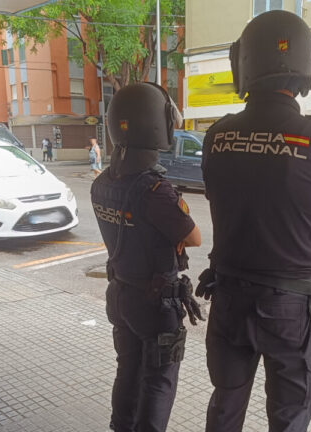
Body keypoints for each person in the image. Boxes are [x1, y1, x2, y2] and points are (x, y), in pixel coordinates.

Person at [197, 10, 311, 432]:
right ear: (306, 64)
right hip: (289, 309)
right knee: (289, 416)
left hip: (228, 299)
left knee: (225, 406)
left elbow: (220, 198)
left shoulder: (217, 135)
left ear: (242, 62)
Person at [90, 82, 205, 432]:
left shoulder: (101, 184)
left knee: (127, 370)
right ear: (157, 125)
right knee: (158, 381)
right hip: (156, 306)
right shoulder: (157, 191)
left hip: (121, 294)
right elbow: (194, 237)